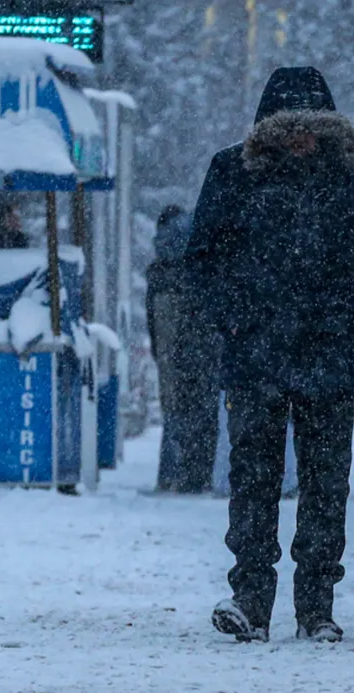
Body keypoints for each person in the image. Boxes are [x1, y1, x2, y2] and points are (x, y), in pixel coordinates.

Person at [187, 68, 354, 643]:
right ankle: (251, 599)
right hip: (258, 354)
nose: (302, 137)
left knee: (326, 485)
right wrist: (236, 319)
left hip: (328, 356)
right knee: (253, 482)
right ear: (270, 130)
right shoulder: (231, 170)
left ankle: (316, 608)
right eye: (291, 127)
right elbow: (202, 260)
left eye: (313, 127)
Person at [146, 205, 220, 495]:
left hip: (175, 340)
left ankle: (172, 474)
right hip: (199, 343)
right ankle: (199, 473)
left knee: (174, 408)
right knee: (202, 408)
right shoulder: (200, 262)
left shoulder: (161, 269)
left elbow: (156, 324)